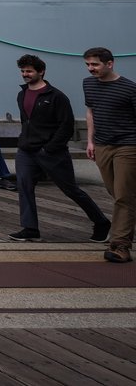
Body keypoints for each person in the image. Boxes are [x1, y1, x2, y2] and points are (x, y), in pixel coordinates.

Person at [9, 54, 110, 244]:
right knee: (24, 187)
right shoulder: (21, 94)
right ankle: (30, 229)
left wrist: (50, 148)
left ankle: (102, 222)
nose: (25, 74)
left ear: (41, 71)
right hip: (26, 151)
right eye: (22, 71)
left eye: (29, 71)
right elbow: (26, 122)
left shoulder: (56, 96)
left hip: (51, 152)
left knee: (71, 190)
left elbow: (66, 125)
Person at [83, 47, 136, 263]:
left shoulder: (130, 89)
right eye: (87, 65)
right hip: (102, 145)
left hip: (128, 145)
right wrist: (90, 141)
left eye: (95, 64)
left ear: (110, 63)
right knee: (116, 193)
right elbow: (90, 112)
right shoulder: (88, 84)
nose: (90, 69)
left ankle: (120, 246)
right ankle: (123, 232)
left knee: (123, 196)